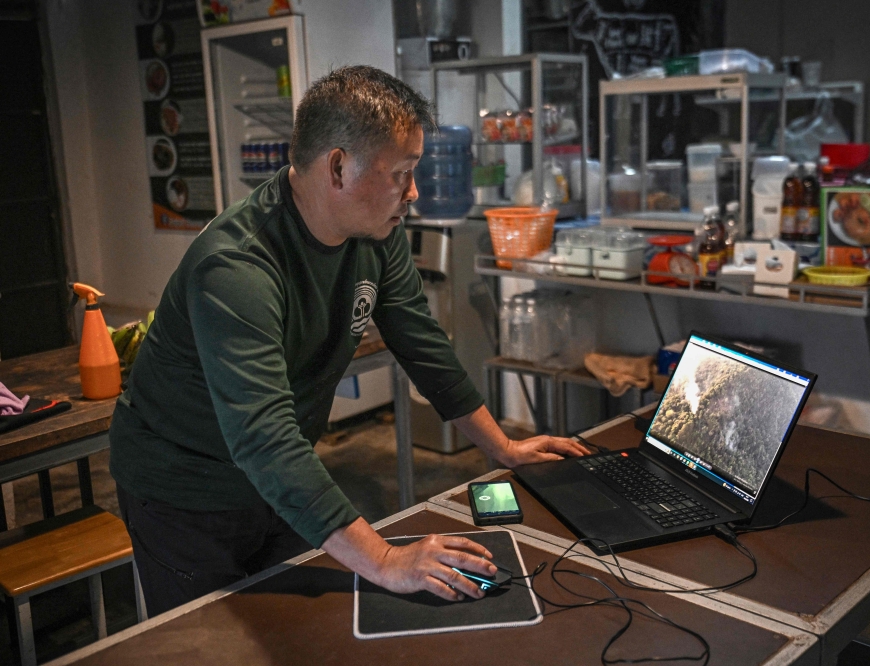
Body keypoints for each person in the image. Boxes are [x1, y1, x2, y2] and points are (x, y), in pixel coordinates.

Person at [109, 65, 588, 617]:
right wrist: (386, 559)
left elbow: (421, 341)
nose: (412, 191)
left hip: (274, 480)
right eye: (401, 173)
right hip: (183, 488)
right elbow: (263, 436)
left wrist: (499, 447)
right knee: (214, 641)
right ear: (337, 167)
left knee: (297, 626)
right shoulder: (236, 266)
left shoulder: (374, 234)